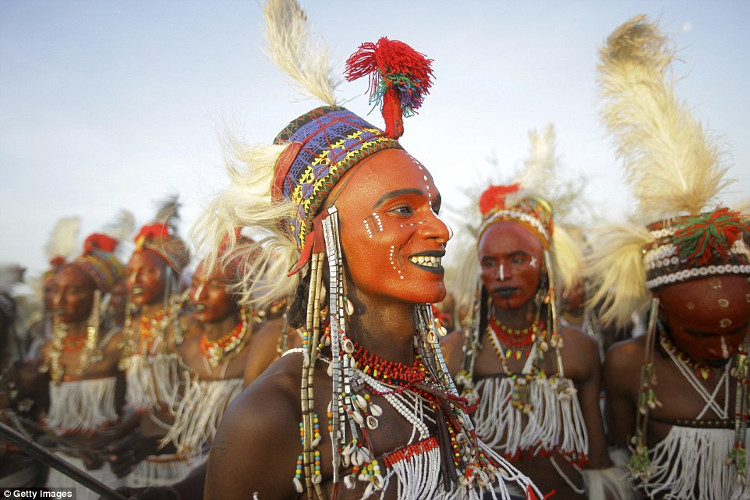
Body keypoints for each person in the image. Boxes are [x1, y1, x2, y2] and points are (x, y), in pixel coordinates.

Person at [191, 1, 540, 498]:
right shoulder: (275, 413)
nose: (440, 229)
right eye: (402, 210)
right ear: (325, 236)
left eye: (433, 207)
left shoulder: (429, 373)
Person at [589, 15, 750, 500]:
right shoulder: (625, 364)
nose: (724, 350)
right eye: (700, 331)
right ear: (657, 309)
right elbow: (620, 446)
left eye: (738, 328)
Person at [440, 184, 622, 499]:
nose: (501, 274)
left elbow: (597, 459)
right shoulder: (454, 352)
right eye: (489, 263)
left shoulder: (579, 350)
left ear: (543, 266)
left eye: (518, 259)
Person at [108, 200, 192, 487]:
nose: (136, 281)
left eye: (147, 272)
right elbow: (143, 405)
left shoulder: (188, 328)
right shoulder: (130, 330)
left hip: (184, 463)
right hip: (140, 458)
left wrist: (161, 443)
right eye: (131, 273)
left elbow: (205, 407)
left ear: (171, 275)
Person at [38, 233, 127, 498]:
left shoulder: (118, 345)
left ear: (97, 297)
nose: (60, 300)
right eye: (57, 289)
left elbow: (141, 408)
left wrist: (108, 441)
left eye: (74, 291)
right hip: (61, 469)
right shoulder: (48, 350)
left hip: (108, 471)